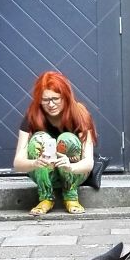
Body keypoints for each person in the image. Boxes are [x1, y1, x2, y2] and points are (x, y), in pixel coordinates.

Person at [13, 71, 95, 216]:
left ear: (65, 97)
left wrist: (70, 166)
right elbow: (18, 163)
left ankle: (70, 195)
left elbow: (88, 162)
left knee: (67, 139)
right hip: (43, 173)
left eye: (56, 99)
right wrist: (35, 163)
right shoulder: (32, 116)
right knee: (39, 139)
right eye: (45, 100)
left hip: (74, 173)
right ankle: (45, 197)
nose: (51, 104)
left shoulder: (80, 115)